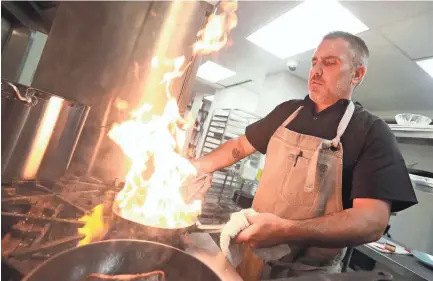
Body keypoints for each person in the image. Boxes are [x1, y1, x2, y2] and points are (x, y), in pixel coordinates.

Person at [191, 31, 418, 279]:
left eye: (330, 62)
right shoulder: (287, 113)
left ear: (357, 74)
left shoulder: (371, 132)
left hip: (307, 273)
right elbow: (239, 146)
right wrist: (191, 169)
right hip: (251, 258)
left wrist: (285, 230)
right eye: (314, 62)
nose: (316, 71)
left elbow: (372, 221)